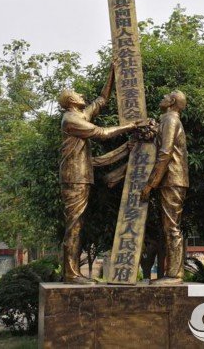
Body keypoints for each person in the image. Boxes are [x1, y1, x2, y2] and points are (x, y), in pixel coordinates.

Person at [59, 65, 141, 284]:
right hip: (74, 178)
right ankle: (71, 274)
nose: (81, 95)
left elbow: (101, 100)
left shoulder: (79, 116)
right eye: (77, 94)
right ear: (71, 101)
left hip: (81, 176)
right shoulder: (71, 120)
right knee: (74, 225)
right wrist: (130, 126)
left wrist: (113, 72)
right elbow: (102, 133)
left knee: (77, 224)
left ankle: (71, 273)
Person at [140, 91, 189, 285]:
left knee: (172, 227)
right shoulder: (167, 120)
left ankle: (174, 275)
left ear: (172, 102)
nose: (163, 97)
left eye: (167, 96)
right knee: (170, 226)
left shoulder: (170, 119)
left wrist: (150, 184)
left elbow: (165, 152)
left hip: (172, 179)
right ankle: (173, 273)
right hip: (172, 179)